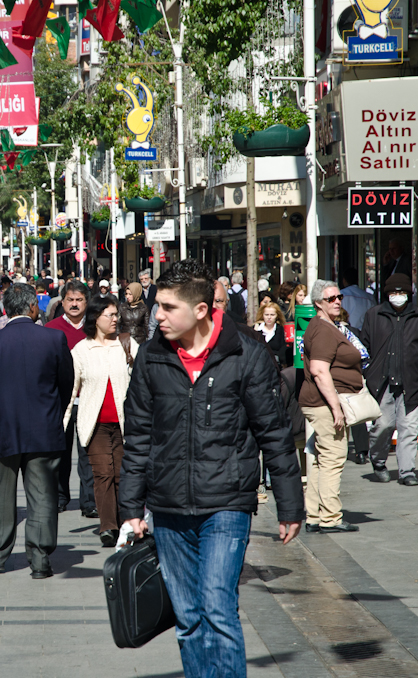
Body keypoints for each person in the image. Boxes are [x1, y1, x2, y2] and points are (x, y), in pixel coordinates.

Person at [120, 260, 302, 677]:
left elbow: (273, 433)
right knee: (188, 618)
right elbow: (140, 437)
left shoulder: (246, 354)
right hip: (167, 507)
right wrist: (131, 506)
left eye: (167, 308)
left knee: (218, 608)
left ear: (201, 310)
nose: (157, 316)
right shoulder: (151, 357)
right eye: (156, 306)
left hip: (227, 503)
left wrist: (290, 505)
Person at [0, 284, 74, 578]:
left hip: (0, 432)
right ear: (32, 308)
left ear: (5, 310)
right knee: (43, 496)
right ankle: (40, 560)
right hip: (44, 430)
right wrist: (53, 413)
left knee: (0, 495)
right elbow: (65, 385)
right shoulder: (55, 338)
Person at [66, 296, 137, 547]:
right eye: (110, 314)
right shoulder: (81, 351)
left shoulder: (127, 344)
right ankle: (108, 526)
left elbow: (143, 381)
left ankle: (122, 524)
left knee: (121, 475)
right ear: (96, 318)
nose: (116, 319)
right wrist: (61, 424)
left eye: (117, 314)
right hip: (94, 425)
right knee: (103, 473)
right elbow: (71, 389)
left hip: (124, 423)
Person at [362, 273, 418, 486]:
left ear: (409, 293)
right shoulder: (374, 315)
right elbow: (363, 350)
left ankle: (407, 471)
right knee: (383, 426)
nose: (398, 296)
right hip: (381, 384)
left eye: (402, 292)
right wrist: (363, 376)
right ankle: (378, 461)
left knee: (409, 428)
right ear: (387, 294)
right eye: (394, 292)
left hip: (411, 383)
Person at [299, 279, 363, 533]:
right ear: (318, 303)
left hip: (318, 402)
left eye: (339, 297)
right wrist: (336, 408)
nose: (337, 301)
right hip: (324, 404)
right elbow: (319, 370)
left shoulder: (324, 325)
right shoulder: (324, 329)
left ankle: (315, 515)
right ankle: (330, 518)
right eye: (330, 299)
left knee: (319, 459)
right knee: (333, 459)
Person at [44, 280, 97, 518]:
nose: (74, 304)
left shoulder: (97, 327)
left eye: (79, 300)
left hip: (89, 398)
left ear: (87, 302)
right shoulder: (51, 328)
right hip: (60, 400)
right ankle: (60, 497)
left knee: (88, 453)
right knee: (60, 452)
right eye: (70, 300)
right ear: (62, 302)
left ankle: (90, 501)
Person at [254, 301, 290, 369]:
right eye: (266, 315)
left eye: (272, 315)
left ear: (277, 316)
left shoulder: (282, 330)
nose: (269, 317)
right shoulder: (256, 329)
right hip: (257, 366)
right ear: (262, 315)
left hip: (275, 366)